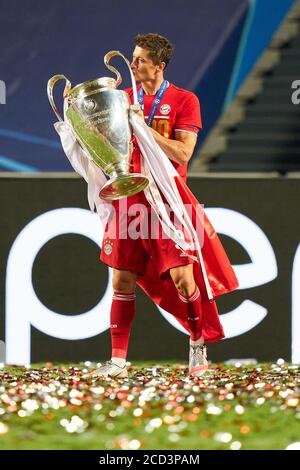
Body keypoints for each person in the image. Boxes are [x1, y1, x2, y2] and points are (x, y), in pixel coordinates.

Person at [91, 33, 239, 379]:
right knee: (121, 279)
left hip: (169, 202)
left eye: (140, 59)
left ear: (159, 66)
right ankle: (116, 361)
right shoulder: (122, 98)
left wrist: (144, 127)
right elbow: (103, 145)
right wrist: (79, 117)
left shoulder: (185, 100)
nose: (132, 64)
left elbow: (183, 153)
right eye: (133, 57)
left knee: (184, 279)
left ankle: (197, 347)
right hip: (130, 200)